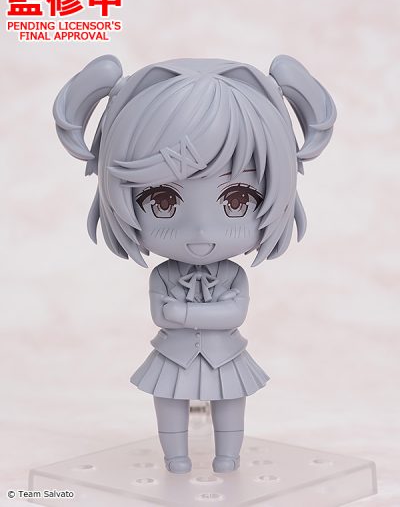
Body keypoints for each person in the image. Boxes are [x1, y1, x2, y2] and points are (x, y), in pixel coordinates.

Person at [53, 55, 336, 473]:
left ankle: (228, 457)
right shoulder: (164, 274)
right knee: (168, 403)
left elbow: (233, 314)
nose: (201, 230)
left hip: (225, 355)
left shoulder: (232, 274)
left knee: (230, 404)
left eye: (238, 199)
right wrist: (192, 314)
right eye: (162, 199)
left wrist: (184, 313)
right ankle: (176, 458)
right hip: (173, 355)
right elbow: (160, 313)